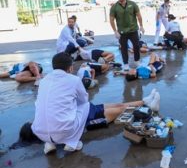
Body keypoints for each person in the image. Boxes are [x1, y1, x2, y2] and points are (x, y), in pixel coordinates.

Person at [20, 52, 160, 154]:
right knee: (119, 109)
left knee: (116, 105)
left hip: (47, 133)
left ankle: (144, 101)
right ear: (70, 68)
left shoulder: (44, 81)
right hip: (69, 128)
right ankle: (147, 105)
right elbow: (84, 101)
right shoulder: (72, 80)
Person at [110, 0, 145, 71]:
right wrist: (115, 31)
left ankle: (137, 60)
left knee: (136, 46)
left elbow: (138, 15)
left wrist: (141, 26)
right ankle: (125, 64)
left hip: (133, 30)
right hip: (122, 32)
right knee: (123, 48)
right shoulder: (114, 7)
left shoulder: (132, 4)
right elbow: (111, 20)